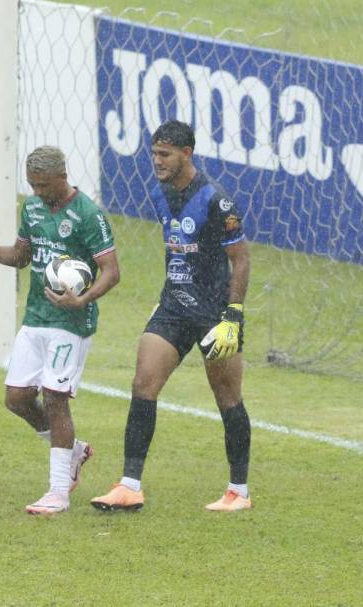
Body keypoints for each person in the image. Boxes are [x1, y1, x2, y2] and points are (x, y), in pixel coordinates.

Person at [90, 119, 253, 513]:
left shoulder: (217, 200)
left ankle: (238, 492)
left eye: (164, 155)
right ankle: (129, 485)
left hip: (215, 313)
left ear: (187, 154)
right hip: (174, 305)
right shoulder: (161, 193)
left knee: (227, 397)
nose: (157, 162)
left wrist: (233, 315)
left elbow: (241, 259)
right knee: (143, 383)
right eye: (154, 154)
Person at [0, 145, 120, 515]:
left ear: (62, 176)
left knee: (56, 397)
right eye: (33, 185)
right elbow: (20, 257)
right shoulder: (32, 208)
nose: (38, 192)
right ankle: (73, 451)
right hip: (36, 317)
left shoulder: (88, 215)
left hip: (72, 322)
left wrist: (84, 299)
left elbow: (111, 271)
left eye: (43, 185)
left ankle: (58, 493)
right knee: (16, 398)